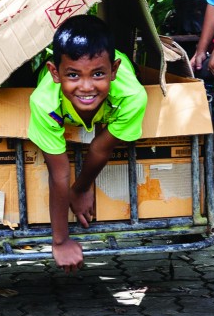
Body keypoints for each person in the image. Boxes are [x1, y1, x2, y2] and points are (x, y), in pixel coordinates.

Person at [28, 15, 148, 272]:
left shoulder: (132, 97)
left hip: (118, 92)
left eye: (98, 74)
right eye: (73, 75)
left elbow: (99, 147)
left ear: (113, 71)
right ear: (55, 73)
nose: (86, 86)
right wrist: (60, 240)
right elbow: (59, 173)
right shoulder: (44, 102)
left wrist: (81, 188)